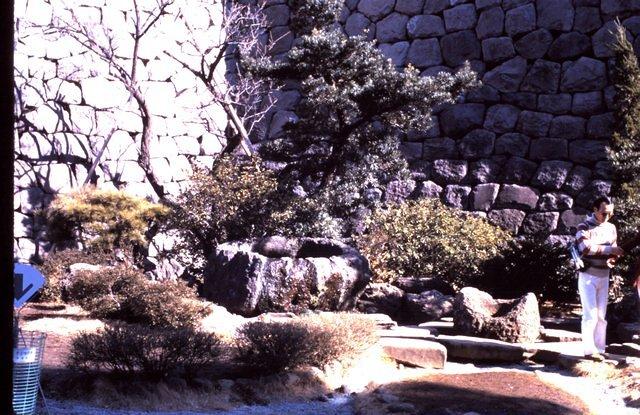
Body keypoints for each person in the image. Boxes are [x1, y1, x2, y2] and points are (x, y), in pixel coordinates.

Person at [575, 196, 625, 361]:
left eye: (610, 213)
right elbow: (585, 247)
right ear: (595, 210)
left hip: (604, 275)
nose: (607, 217)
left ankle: (600, 348)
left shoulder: (611, 228)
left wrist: (613, 257)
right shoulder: (584, 226)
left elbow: (613, 251)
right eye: (604, 213)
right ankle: (589, 351)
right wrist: (610, 249)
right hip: (588, 275)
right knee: (590, 314)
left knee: (601, 315)